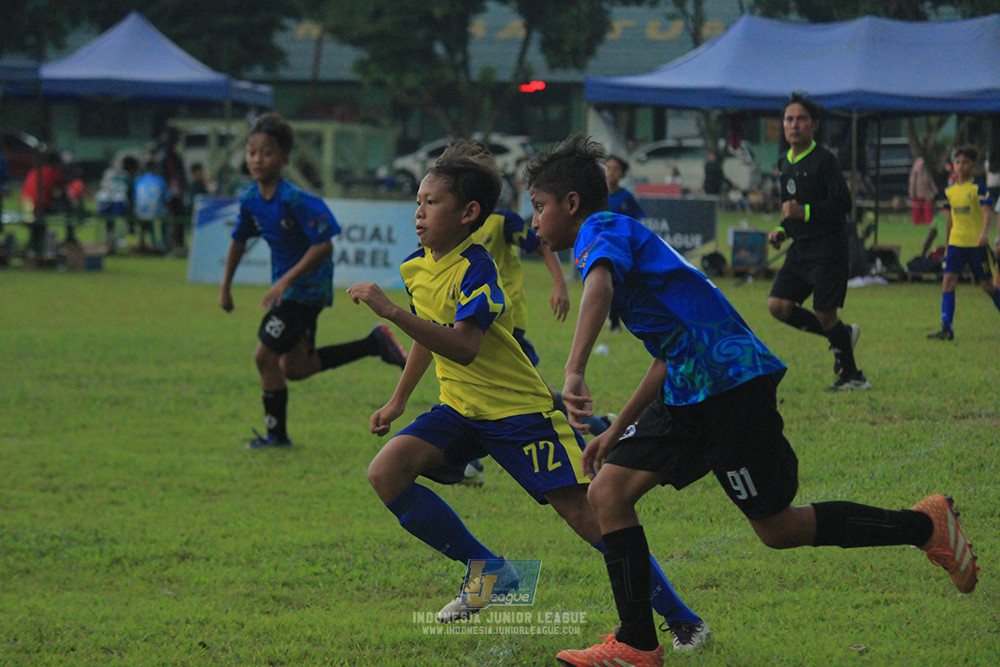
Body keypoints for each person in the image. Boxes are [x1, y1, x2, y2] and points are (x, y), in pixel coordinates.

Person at [520, 134, 979, 667]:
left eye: (538, 207)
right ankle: (637, 643)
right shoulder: (622, 236)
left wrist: (573, 370)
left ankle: (925, 525)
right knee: (609, 493)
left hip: (727, 387)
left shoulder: (599, 231)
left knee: (777, 528)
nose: (534, 221)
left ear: (571, 205)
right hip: (693, 387)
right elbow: (668, 354)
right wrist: (617, 427)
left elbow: (597, 284)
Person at [345, 140, 710, 652]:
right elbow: (429, 335)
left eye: (431, 202)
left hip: (521, 414)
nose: (418, 212)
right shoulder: (414, 266)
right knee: (386, 472)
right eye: (418, 201)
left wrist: (391, 313)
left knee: (588, 516)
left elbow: (466, 347)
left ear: (469, 212)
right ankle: (489, 572)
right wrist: (399, 399)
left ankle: (683, 618)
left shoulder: (477, 268)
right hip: (460, 411)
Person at [219, 112, 408, 449]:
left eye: (266, 153)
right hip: (290, 290)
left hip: (306, 290)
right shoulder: (250, 199)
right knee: (296, 367)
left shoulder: (297, 200)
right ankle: (374, 344)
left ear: (285, 158)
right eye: (251, 152)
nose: (257, 160)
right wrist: (225, 287)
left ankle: (276, 437)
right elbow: (239, 239)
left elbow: (324, 244)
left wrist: (285, 281)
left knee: (264, 356)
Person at [766, 93, 868, 391]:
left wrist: (806, 212)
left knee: (825, 314)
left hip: (828, 249)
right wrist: (782, 230)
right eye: (789, 119)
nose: (794, 125)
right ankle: (841, 335)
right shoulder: (784, 164)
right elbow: (790, 210)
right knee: (778, 306)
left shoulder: (825, 160)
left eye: (801, 119)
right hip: (801, 250)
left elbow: (843, 204)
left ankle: (853, 376)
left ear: (814, 125)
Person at [927, 145, 1000, 340]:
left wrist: (984, 233)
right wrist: (947, 242)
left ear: (972, 165)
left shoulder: (978, 188)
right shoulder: (950, 191)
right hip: (956, 244)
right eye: (958, 162)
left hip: (976, 244)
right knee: (948, 282)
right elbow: (950, 218)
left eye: (965, 162)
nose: (961, 166)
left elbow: (986, 213)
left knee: (987, 286)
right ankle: (946, 328)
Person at [605, 155, 645, 333]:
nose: (611, 172)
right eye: (608, 168)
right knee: (606, 285)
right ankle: (613, 322)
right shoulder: (598, 195)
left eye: (615, 169)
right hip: (601, 247)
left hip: (620, 249)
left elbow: (637, 221)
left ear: (622, 175)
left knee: (619, 286)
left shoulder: (626, 197)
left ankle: (618, 322)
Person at [155, 126, 188, 253]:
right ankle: (171, 243)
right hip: (170, 190)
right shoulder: (166, 154)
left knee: (176, 217)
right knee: (173, 217)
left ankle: (174, 243)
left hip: (172, 190)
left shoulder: (169, 153)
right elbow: (173, 174)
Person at [133, 159, 169, 252]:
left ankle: (146, 243)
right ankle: (163, 244)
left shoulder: (139, 180)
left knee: (147, 221)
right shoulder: (160, 180)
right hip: (155, 210)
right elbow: (166, 197)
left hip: (140, 211)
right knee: (164, 219)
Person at [908, 156, 938, 226]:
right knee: (917, 209)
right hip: (917, 194)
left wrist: (934, 190)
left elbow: (931, 182)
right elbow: (912, 184)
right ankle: (917, 221)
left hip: (926, 194)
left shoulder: (926, 173)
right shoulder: (914, 174)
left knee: (927, 208)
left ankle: (928, 220)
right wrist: (912, 193)